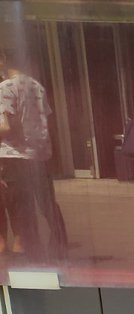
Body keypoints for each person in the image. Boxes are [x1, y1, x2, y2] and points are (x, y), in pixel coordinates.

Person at [0, 48, 68, 260]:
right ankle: (58, 243)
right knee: (46, 202)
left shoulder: (5, 88)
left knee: (21, 207)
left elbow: (6, 127)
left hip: (15, 156)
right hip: (39, 154)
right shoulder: (37, 86)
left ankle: (28, 254)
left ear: (3, 61)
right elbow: (47, 120)